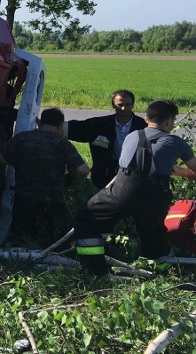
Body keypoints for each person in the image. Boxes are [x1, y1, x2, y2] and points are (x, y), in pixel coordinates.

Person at [73, 100, 196, 275]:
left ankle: (94, 269)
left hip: (125, 188)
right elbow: (179, 167)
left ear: (146, 119)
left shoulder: (133, 136)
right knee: (153, 234)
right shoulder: (176, 142)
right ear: (168, 121)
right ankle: (164, 273)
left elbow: (140, 165)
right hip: (156, 193)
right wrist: (190, 174)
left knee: (86, 218)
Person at [0, 107, 90, 243]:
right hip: (52, 200)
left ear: (40, 122)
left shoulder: (23, 138)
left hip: (23, 197)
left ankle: (17, 260)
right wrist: (67, 179)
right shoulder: (62, 143)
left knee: (20, 238)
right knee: (48, 239)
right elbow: (83, 170)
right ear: (61, 125)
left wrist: (16, 164)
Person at [65, 90, 147, 189]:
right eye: (120, 105)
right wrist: (50, 125)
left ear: (133, 105)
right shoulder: (99, 124)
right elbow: (73, 129)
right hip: (103, 177)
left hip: (134, 176)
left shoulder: (144, 126)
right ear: (113, 105)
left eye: (128, 104)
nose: (124, 108)